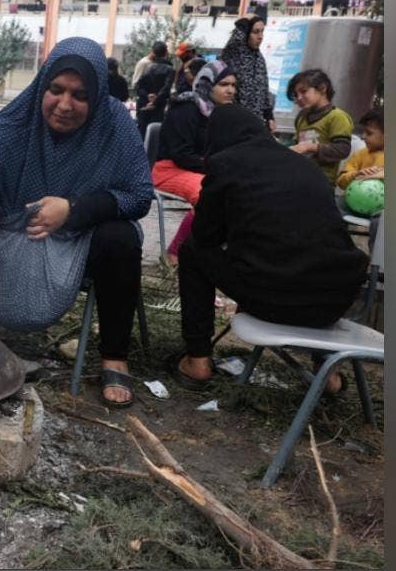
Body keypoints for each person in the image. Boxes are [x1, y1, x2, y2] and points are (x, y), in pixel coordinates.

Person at [0, 37, 153, 407]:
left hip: (78, 236)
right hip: (8, 230)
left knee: (122, 239)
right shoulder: (16, 120)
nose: (65, 105)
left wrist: (74, 209)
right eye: (56, 90)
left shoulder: (114, 124)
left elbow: (139, 193)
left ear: (96, 96)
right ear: (43, 85)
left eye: (80, 95)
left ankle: (115, 356)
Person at [172, 104, 367, 390]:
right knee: (316, 263)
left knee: (192, 250)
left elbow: (206, 237)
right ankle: (328, 374)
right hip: (334, 303)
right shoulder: (304, 166)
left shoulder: (225, 162)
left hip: (272, 300)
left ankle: (197, 358)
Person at [152, 60, 235, 264]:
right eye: (224, 84)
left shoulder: (222, 113)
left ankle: (212, 253)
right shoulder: (186, 107)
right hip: (170, 169)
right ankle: (174, 254)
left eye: (234, 85)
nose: (231, 90)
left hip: (202, 170)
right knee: (209, 193)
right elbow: (181, 153)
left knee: (238, 191)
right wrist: (217, 168)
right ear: (207, 84)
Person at [287, 69, 353, 185]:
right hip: (297, 178)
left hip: (322, 182)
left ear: (322, 88)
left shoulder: (337, 117)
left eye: (303, 91)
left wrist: (311, 147)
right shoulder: (301, 117)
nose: (299, 98)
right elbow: (297, 144)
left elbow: (342, 150)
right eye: (296, 95)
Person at [336, 108, 384, 249]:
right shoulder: (361, 155)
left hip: (382, 210)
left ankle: (379, 265)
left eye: (369, 133)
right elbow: (341, 181)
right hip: (353, 205)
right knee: (331, 204)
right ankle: (336, 250)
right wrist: (356, 174)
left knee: (382, 221)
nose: (363, 137)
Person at [220, 13, 275, 130]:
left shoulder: (260, 59)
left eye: (262, 31)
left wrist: (269, 115)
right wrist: (246, 19)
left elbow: (264, 89)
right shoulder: (234, 53)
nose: (260, 36)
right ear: (246, 33)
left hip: (256, 122)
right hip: (234, 121)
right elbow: (236, 37)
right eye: (255, 32)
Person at [134, 41, 175, 137]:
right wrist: (155, 101)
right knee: (156, 136)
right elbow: (166, 88)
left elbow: (139, 86)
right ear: (166, 53)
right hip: (159, 107)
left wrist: (148, 97)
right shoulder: (169, 69)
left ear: (153, 52)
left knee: (142, 134)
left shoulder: (147, 67)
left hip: (145, 105)